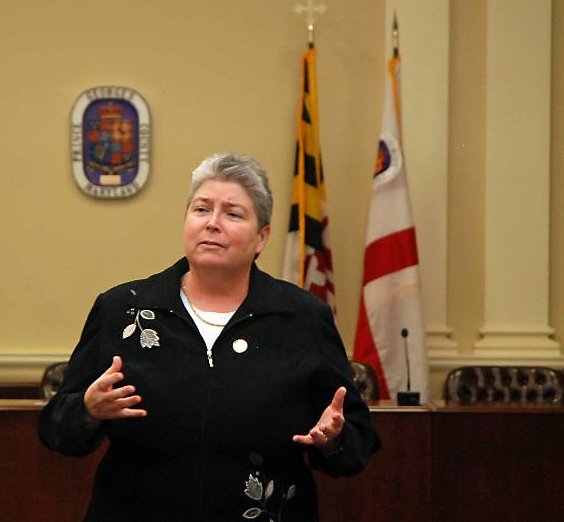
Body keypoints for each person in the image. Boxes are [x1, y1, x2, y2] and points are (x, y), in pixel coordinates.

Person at [39, 152, 380, 521]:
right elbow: (57, 430)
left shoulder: (303, 318)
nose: (212, 223)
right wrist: (87, 410)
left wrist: (334, 441)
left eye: (232, 214)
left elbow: (358, 441)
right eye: (201, 209)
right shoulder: (122, 309)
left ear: (262, 237)